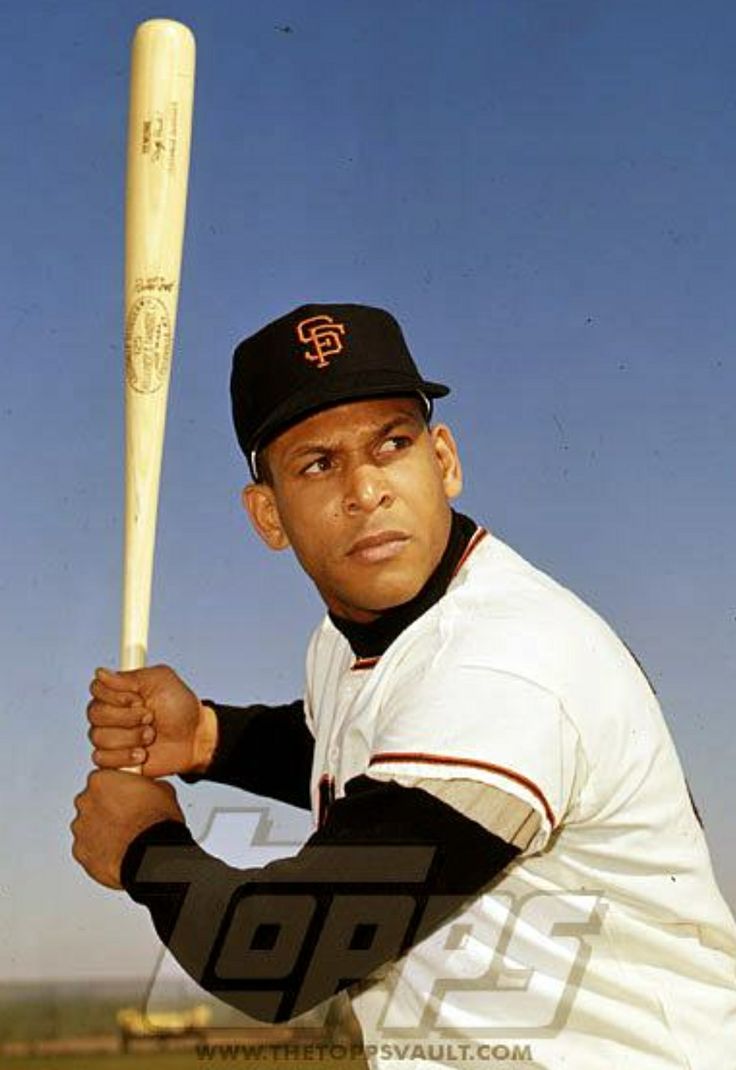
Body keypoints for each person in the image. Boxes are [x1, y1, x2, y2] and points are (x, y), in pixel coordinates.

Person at [72, 303, 736, 1068]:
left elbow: (280, 955)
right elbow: (359, 751)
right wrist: (208, 738)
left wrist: (146, 848)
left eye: (392, 444)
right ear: (269, 516)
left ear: (444, 461)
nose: (366, 489)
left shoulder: (507, 660)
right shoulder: (355, 641)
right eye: (318, 464)